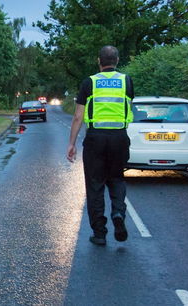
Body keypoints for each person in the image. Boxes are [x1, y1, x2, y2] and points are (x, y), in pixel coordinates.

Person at [66, 45, 134, 246]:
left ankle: (99, 233)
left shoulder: (89, 82)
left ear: (99, 61)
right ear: (117, 61)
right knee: (117, 178)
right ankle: (118, 212)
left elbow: (78, 116)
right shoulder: (126, 81)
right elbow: (127, 107)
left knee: (95, 185)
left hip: (95, 139)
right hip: (119, 138)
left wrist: (71, 143)